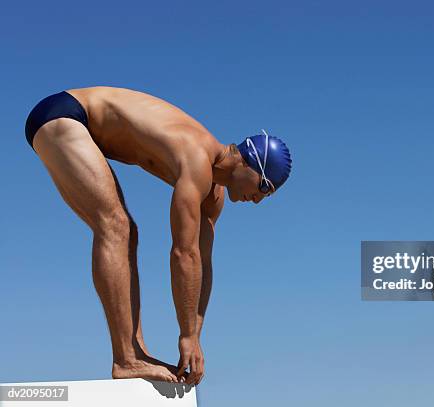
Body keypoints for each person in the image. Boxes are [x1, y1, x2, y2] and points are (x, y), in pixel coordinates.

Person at [24, 87, 292, 385]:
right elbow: (182, 253)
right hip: (66, 115)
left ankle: (134, 352)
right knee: (115, 226)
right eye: (265, 187)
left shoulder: (213, 197)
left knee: (127, 231)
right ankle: (126, 358)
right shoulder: (196, 160)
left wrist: (195, 336)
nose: (258, 200)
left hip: (80, 126)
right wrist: (186, 335)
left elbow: (202, 262)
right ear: (247, 161)